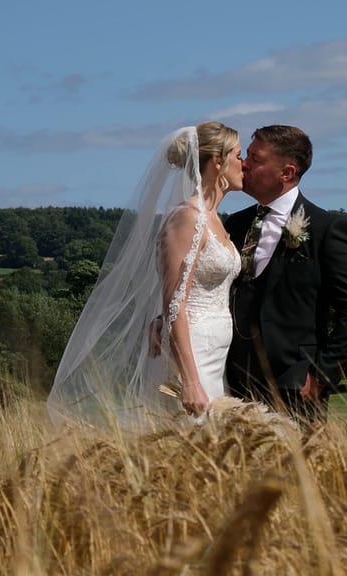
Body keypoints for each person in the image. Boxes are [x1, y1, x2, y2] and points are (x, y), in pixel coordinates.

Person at [48, 121, 243, 428]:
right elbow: (175, 300)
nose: (243, 164)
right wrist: (190, 380)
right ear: (218, 162)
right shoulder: (187, 218)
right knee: (188, 437)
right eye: (238, 155)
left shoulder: (215, 219)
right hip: (191, 351)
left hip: (216, 350)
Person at [225, 125, 347, 426]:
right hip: (231, 382)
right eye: (246, 155)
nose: (243, 164)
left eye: (255, 158)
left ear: (287, 172)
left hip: (295, 385)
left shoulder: (326, 229)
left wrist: (320, 374)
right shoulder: (235, 224)